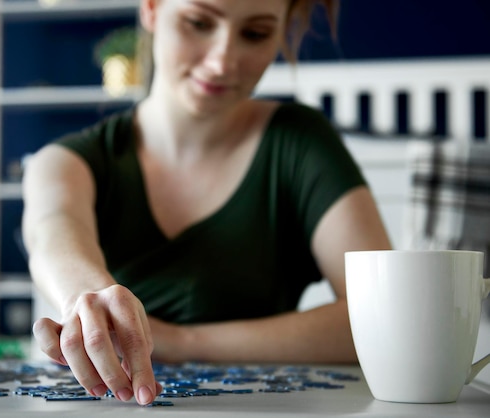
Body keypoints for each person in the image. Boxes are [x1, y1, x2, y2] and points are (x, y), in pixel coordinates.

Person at [22, 0, 392, 407]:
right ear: (151, 9)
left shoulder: (302, 142)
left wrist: (179, 341)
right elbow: (52, 234)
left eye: (255, 34)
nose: (221, 63)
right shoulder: (65, 162)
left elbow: (386, 312)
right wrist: (88, 298)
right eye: (198, 23)